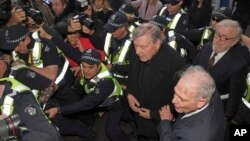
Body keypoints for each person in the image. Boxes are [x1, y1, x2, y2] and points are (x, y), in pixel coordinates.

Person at [45, 48, 130, 141]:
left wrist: (58, 109)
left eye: (90, 67)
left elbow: (85, 104)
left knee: (112, 131)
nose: (86, 71)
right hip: (105, 103)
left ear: (98, 66)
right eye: (83, 66)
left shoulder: (106, 83)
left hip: (117, 104)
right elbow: (70, 51)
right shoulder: (92, 66)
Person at [126, 23, 185, 141]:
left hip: (157, 126)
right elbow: (131, 75)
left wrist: (155, 114)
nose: (137, 51)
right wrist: (129, 93)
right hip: (138, 118)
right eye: (135, 46)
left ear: (157, 44)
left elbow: (183, 98)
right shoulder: (137, 48)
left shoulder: (176, 63)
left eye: (142, 47)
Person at [194, 19, 249, 122]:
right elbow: (193, 70)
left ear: (234, 42)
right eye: (217, 34)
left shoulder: (239, 65)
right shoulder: (206, 48)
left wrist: (226, 117)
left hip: (214, 111)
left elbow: (235, 96)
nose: (218, 40)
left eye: (224, 37)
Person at [157, 65, 225, 141]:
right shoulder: (208, 88)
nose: (173, 100)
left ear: (201, 102)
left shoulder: (193, 137)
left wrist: (165, 122)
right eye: (175, 93)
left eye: (182, 99)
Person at [103, 12, 133, 89]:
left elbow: (135, 67)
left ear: (123, 28)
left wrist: (114, 67)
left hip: (123, 83)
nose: (111, 32)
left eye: (113, 29)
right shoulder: (108, 35)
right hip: (106, 77)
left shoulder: (134, 43)